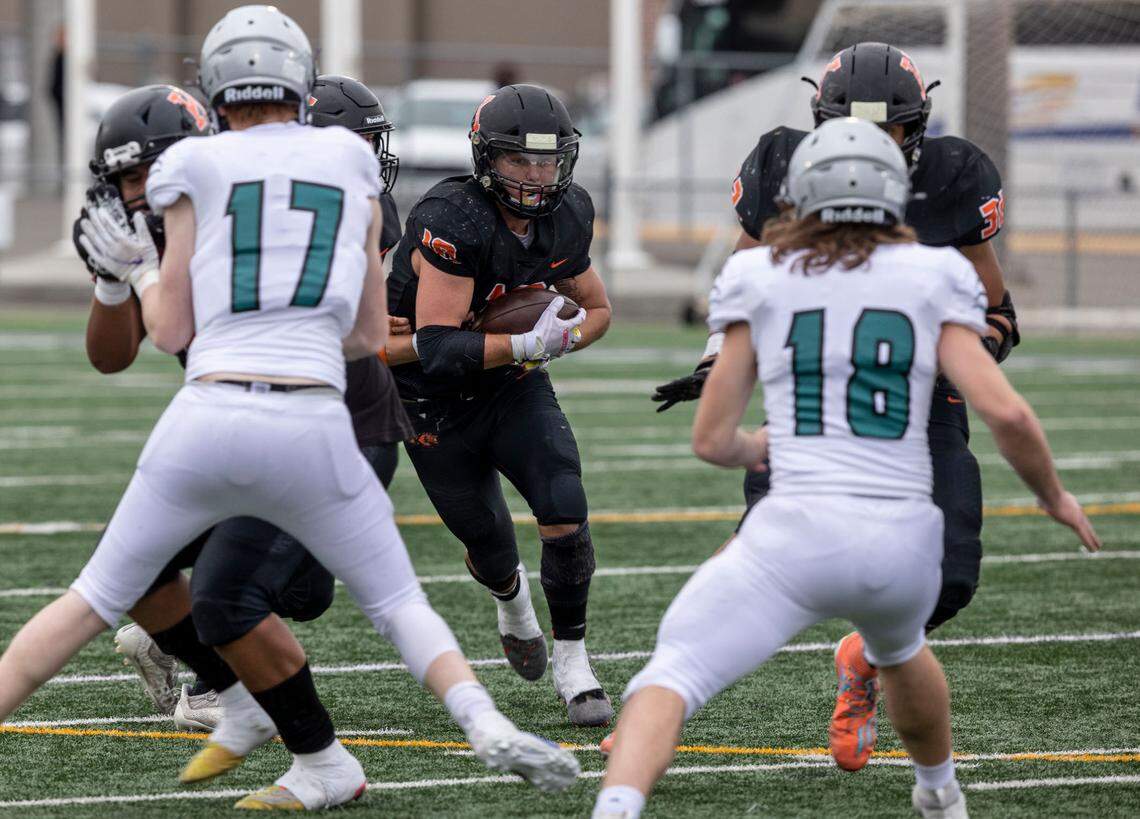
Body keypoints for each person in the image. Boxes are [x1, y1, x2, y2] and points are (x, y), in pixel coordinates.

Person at [2, 5, 578, 811]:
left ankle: (254, 711)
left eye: (143, 178)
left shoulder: (191, 181)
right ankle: (458, 724)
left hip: (269, 414)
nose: (136, 192)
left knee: (144, 596)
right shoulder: (342, 163)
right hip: (309, 414)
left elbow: (171, 325)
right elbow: (366, 329)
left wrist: (130, 273)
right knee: (346, 599)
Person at [594, 117, 1100, 819]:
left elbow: (712, 440)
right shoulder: (937, 273)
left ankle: (616, 807)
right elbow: (1007, 412)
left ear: (799, 193)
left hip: (792, 536)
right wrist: (1053, 495)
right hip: (900, 544)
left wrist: (757, 444)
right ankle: (940, 793)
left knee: (671, 672)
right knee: (902, 646)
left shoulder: (757, 273)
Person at [649, 42, 1020, 770]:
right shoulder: (782, 166)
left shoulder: (954, 177)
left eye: (896, 131)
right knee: (753, 551)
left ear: (921, 128)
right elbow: (745, 272)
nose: (873, 147)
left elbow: (997, 309)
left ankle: (868, 660)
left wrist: (960, 346)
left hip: (915, 397)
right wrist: (716, 359)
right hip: (812, 389)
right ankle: (659, 703)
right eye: (854, 127)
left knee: (951, 574)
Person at [76, 74, 417, 740]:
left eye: (150, 173)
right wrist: (115, 281)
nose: (136, 194)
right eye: (125, 180)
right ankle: (222, 688)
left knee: (294, 593)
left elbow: (208, 338)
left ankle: (328, 735)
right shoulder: (156, 223)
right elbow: (111, 355)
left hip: (338, 425)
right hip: (236, 428)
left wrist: (146, 272)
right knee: (146, 574)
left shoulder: (260, 204)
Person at [383, 83, 615, 726]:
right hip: (431, 398)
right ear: (488, 159)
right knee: (486, 542)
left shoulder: (567, 217)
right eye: (519, 160)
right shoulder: (454, 216)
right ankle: (512, 605)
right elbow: (435, 348)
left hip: (511, 384)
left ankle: (576, 668)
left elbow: (598, 311)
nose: (537, 175)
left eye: (547, 160)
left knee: (564, 505)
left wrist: (559, 341)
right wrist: (522, 340)